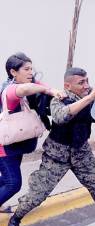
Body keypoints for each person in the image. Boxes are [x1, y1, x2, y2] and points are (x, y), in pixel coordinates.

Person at [6, 67, 95, 226]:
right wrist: (90, 97)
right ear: (68, 85)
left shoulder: (92, 97)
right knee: (36, 195)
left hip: (81, 154)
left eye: (87, 81)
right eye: (81, 83)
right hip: (56, 156)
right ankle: (15, 220)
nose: (86, 86)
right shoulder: (59, 98)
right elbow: (60, 116)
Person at [0, 52, 63, 214]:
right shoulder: (10, 89)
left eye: (31, 69)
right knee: (13, 184)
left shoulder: (29, 83)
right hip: (4, 146)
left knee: (6, 179)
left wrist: (52, 90)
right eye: (26, 69)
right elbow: (27, 88)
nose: (30, 72)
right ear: (13, 72)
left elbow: (36, 85)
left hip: (16, 142)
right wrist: (50, 91)